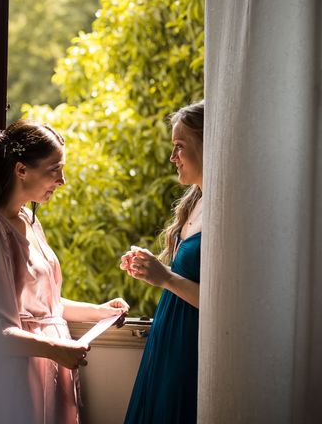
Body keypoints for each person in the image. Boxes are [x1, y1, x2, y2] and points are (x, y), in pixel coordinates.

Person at [0, 119, 129, 424]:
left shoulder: (30, 221)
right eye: (54, 170)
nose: (62, 181)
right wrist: (54, 349)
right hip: (15, 374)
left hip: (49, 365)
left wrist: (100, 312)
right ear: (21, 170)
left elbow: (46, 305)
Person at [120, 101, 204, 424]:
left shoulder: (226, 210)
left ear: (205, 144)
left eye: (179, 147)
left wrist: (165, 277)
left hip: (192, 342)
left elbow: (221, 302)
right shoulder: (195, 202)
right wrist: (151, 268)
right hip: (169, 334)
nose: (172, 158)